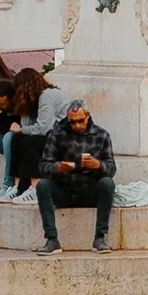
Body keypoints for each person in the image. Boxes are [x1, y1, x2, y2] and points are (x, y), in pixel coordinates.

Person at [36, 101, 116, 253]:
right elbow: (43, 166)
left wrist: (98, 165)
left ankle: (100, 238)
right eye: (72, 122)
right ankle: (52, 239)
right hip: (64, 190)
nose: (77, 125)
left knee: (108, 183)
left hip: (89, 190)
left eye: (81, 121)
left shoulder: (101, 135)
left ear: (87, 116)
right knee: (42, 185)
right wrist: (58, 167)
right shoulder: (57, 134)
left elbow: (111, 168)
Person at [0, 67, 58, 198]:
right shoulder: (32, 99)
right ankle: (17, 186)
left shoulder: (47, 96)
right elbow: (26, 126)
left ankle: (35, 188)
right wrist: (23, 107)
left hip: (59, 135)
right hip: (47, 134)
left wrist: (22, 129)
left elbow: (44, 128)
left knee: (29, 142)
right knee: (16, 138)